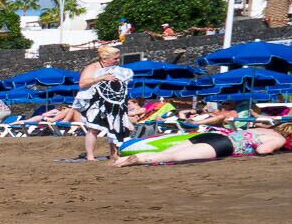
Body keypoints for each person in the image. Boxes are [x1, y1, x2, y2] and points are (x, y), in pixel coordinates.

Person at [74, 42, 136, 164]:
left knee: (116, 127)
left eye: (118, 58)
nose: (118, 61)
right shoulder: (93, 68)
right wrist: (102, 77)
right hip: (96, 102)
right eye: (115, 59)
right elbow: (82, 83)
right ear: (104, 59)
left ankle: (114, 154)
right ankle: (90, 156)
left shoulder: (116, 69)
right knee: (93, 129)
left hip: (113, 103)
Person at [116, 124, 290, 166]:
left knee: (170, 151)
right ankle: (140, 159)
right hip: (224, 145)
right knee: (172, 157)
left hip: (212, 135)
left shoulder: (263, 128)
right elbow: (263, 149)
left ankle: (120, 161)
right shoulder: (279, 139)